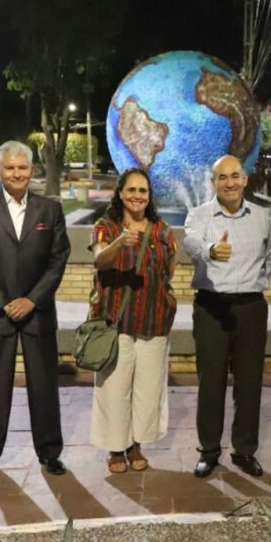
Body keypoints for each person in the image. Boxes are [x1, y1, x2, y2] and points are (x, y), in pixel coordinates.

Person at [0, 140, 70, 482]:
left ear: (32, 170)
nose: (16, 174)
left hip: (37, 312)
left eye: (22, 167)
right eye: (9, 168)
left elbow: (58, 259)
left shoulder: (50, 210)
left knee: (44, 387)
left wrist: (32, 300)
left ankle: (50, 453)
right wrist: (2, 302)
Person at [184, 155, 271, 478]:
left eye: (235, 175)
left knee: (249, 383)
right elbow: (191, 242)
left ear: (245, 179)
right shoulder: (199, 215)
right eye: (222, 177)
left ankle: (244, 450)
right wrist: (211, 250)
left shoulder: (263, 217)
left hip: (251, 308)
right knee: (210, 383)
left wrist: (256, 285)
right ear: (213, 183)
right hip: (212, 308)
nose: (229, 182)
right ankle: (209, 450)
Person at [88, 169, 177, 474]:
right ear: (121, 193)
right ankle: (116, 448)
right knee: (114, 389)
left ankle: (136, 444)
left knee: (148, 389)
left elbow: (171, 270)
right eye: (132, 190)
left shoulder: (163, 231)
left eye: (143, 190)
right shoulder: (106, 227)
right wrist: (119, 245)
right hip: (116, 321)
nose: (137, 196)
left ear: (149, 195)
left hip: (154, 321)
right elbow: (100, 259)